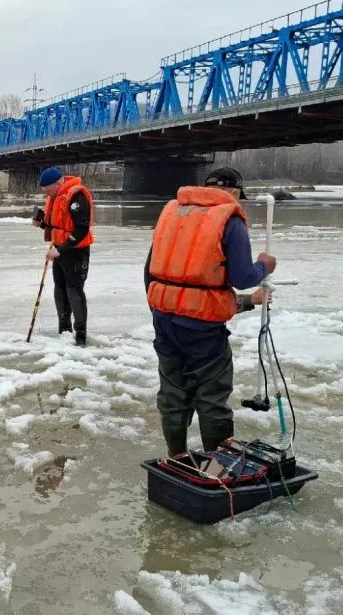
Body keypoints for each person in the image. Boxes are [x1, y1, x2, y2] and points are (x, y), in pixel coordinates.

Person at [144, 167, 277, 457]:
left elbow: (152, 272)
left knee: (173, 394)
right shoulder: (229, 219)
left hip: (164, 322)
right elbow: (242, 277)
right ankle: (216, 470)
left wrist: (165, 311)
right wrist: (265, 265)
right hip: (204, 331)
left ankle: (177, 458)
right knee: (211, 397)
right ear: (233, 192)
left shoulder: (171, 213)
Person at [31, 167, 95, 346]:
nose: (48, 195)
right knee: (60, 289)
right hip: (59, 249)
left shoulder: (77, 197)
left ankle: (80, 336)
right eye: (45, 192)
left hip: (75, 251)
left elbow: (81, 230)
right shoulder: (55, 196)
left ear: (59, 183)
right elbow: (58, 226)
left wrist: (60, 250)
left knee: (74, 290)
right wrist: (42, 224)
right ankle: (64, 330)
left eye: (50, 190)